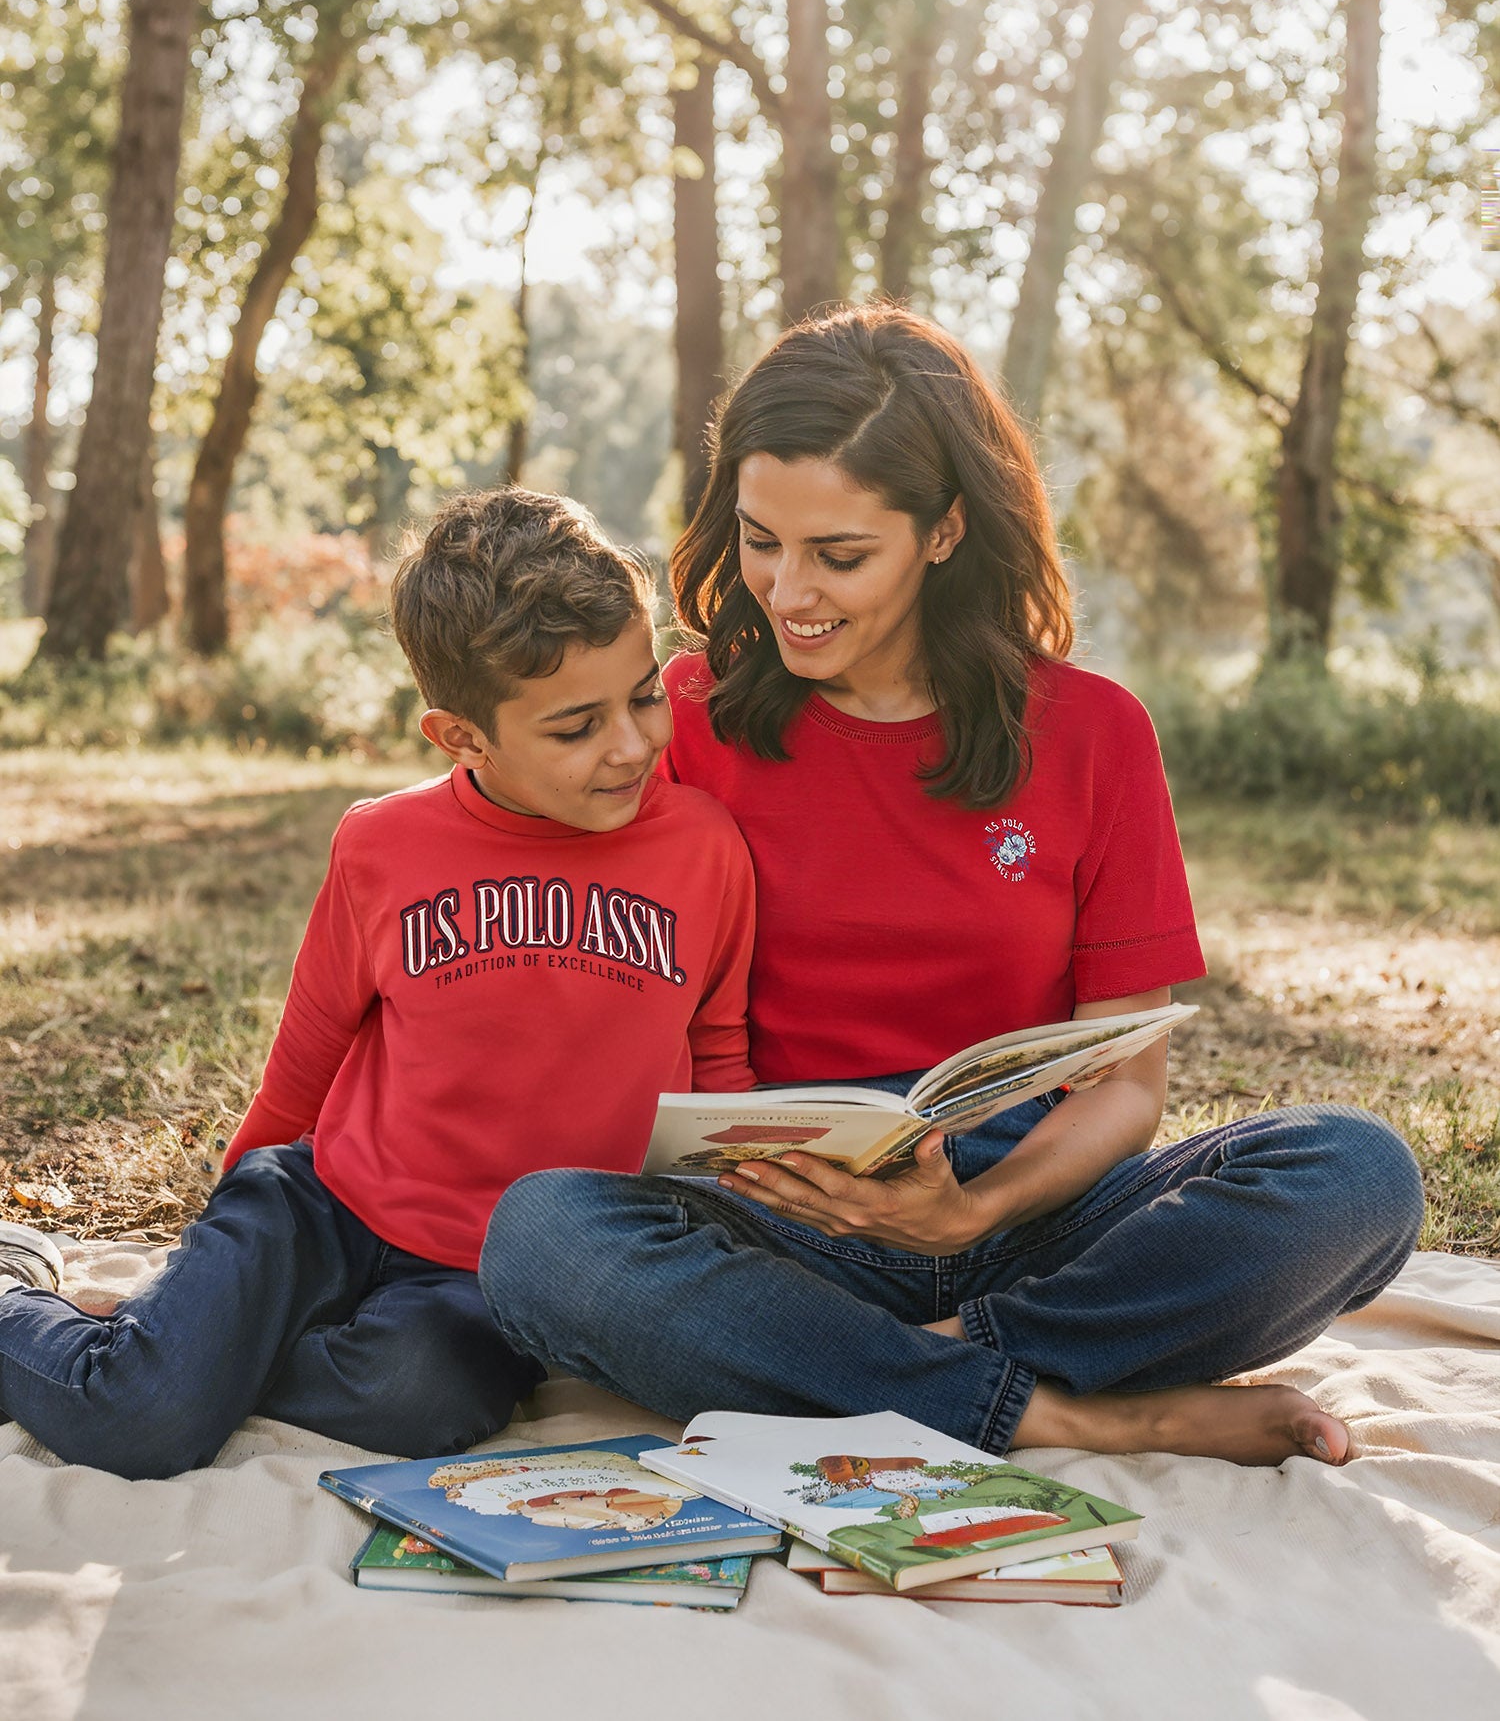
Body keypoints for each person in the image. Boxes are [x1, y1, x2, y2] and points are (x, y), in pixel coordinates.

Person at [481, 306, 1424, 1469]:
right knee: (542, 1236)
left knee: (1356, 1172)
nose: (787, 590)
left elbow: (1127, 1084)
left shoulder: (1094, 733)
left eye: (840, 554)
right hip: (783, 1223)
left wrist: (971, 1211)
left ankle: (858, 1364)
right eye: (762, 537)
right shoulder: (679, 716)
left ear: (944, 530)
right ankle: (1061, 1410)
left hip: (1033, 1218)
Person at [0, 488, 755, 1480]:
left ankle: (197, 1358)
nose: (630, 742)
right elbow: (302, 1062)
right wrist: (209, 1229)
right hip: (322, 1208)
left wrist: (735, 1237)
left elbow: (720, 1061)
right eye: (575, 726)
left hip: (489, 1269)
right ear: (462, 737)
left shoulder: (705, 851)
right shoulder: (381, 847)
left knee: (422, 1399)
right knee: (138, 1421)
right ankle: (31, 1296)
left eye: (643, 693)